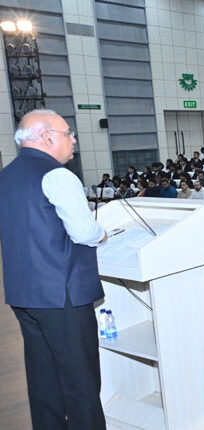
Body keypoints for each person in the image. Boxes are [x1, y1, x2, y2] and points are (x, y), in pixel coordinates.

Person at [0, 109, 107, 428]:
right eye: (68, 133)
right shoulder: (57, 176)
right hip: (63, 295)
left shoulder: (7, 175)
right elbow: (84, 232)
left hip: (24, 294)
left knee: (43, 381)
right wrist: (102, 233)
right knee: (81, 382)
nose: (73, 140)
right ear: (47, 137)